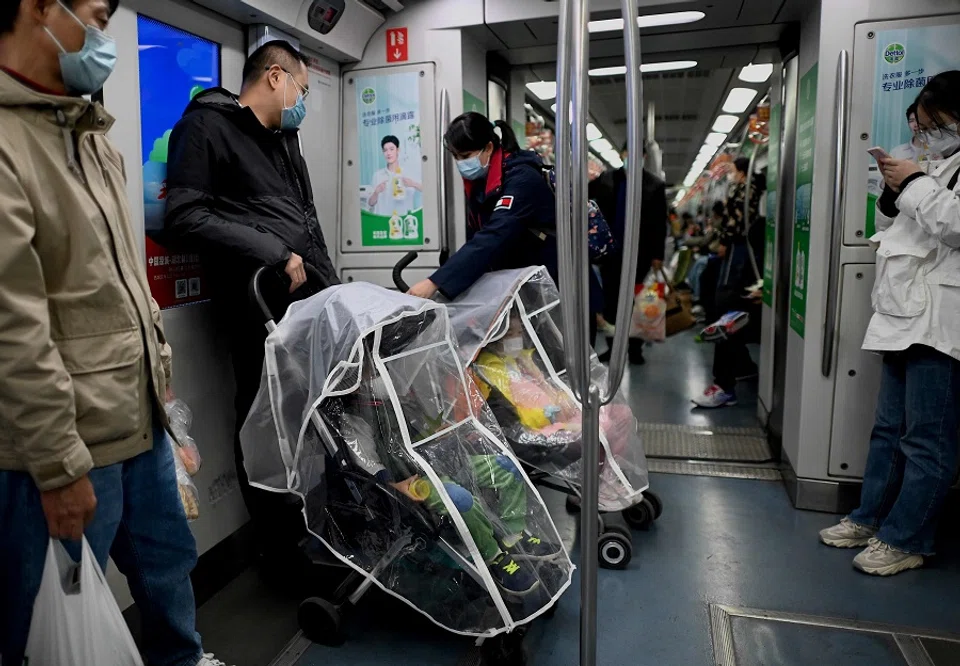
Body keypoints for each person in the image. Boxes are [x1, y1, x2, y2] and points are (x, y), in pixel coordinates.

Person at [0, 2, 227, 665]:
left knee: (166, 566)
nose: (100, 38)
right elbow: (14, 330)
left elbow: (125, 287)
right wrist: (58, 465)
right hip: (66, 442)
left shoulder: (93, 139)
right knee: (56, 608)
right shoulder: (9, 145)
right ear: (40, 9)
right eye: (93, 16)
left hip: (140, 420)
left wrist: (164, 404)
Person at [165, 40, 339, 575]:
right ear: (273, 76)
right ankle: (281, 553)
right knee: (264, 423)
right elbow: (185, 216)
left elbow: (304, 220)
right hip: (257, 303)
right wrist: (272, 251)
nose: (301, 101)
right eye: (301, 89)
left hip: (306, 300)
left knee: (315, 415)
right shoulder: (205, 127)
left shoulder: (284, 140)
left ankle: (328, 530)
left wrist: (330, 283)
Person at [819, 71, 960, 576]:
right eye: (919, 128)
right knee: (888, 429)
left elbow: (955, 226)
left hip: (942, 324)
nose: (925, 138)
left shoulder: (938, 174)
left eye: (934, 127)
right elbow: (894, 230)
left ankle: (907, 537)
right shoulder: (934, 168)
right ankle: (871, 516)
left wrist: (916, 183)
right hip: (903, 314)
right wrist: (892, 191)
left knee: (927, 439)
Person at [407, 113, 603, 331]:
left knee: (565, 360)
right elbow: (478, 237)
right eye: (456, 157)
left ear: (489, 148)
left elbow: (495, 235)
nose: (461, 163)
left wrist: (435, 282)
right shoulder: (484, 183)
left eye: (465, 155)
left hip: (561, 287)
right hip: (530, 288)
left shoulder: (521, 178)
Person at [593, 143, 668, 365]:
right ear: (621, 155)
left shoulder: (654, 185)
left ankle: (635, 348)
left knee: (638, 301)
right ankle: (613, 347)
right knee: (611, 301)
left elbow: (659, 223)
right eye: (628, 153)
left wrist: (658, 256)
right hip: (611, 251)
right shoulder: (606, 180)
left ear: (643, 156)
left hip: (641, 253)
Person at [367, 134, 422, 215]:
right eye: (385, 150)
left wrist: (413, 184)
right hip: (383, 221)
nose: (388, 153)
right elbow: (370, 203)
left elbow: (426, 189)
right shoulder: (378, 175)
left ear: (398, 150)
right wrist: (376, 192)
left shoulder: (408, 172)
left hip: (404, 220)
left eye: (391, 149)